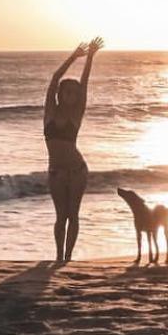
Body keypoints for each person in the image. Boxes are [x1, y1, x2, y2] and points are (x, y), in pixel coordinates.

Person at [43, 36, 103, 262]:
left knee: (73, 215)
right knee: (61, 217)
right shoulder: (49, 111)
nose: (72, 96)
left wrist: (90, 58)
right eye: (67, 92)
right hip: (56, 172)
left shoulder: (76, 115)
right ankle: (59, 256)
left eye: (75, 94)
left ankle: (68, 258)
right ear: (60, 94)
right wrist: (73, 56)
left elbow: (85, 82)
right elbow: (54, 78)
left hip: (77, 170)